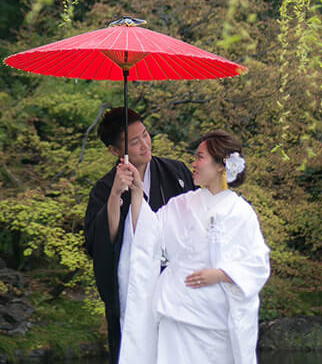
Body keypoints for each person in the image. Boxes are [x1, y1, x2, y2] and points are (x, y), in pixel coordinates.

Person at [117, 130, 270, 364]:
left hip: (215, 316)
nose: (193, 164)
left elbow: (257, 264)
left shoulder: (240, 212)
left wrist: (221, 274)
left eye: (200, 157)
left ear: (220, 165)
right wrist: (137, 190)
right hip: (175, 311)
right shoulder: (181, 204)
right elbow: (148, 236)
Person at [83, 107, 194, 364]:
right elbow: (100, 245)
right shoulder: (104, 188)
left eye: (145, 135)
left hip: (176, 290)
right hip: (133, 292)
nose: (145, 144)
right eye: (134, 142)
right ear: (114, 151)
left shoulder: (176, 172)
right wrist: (115, 195)